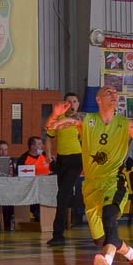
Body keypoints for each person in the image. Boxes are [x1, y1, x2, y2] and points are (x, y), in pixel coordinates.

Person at [46, 85, 133, 265]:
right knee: (102, 240)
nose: (114, 95)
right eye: (108, 93)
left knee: (109, 217)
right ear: (98, 99)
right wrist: (54, 114)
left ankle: (107, 263)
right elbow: (51, 127)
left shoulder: (126, 124)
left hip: (114, 181)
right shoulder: (85, 120)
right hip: (91, 185)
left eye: (115, 93)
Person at [44, 92, 84, 247]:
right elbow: (48, 136)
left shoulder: (81, 120)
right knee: (63, 197)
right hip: (62, 160)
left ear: (78, 104)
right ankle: (84, 203)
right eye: (68, 101)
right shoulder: (58, 119)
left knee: (62, 197)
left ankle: (58, 235)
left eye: (74, 101)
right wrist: (48, 154)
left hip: (76, 159)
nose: (72, 104)